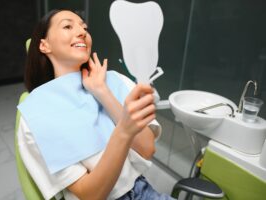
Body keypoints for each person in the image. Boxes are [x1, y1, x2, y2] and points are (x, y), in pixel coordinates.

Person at [17, 9, 174, 200]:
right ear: (44, 45)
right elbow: (90, 195)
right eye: (67, 26)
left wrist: (103, 92)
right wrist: (123, 130)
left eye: (85, 28)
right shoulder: (37, 112)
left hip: (144, 192)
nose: (82, 32)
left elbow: (147, 149)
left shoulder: (115, 81)